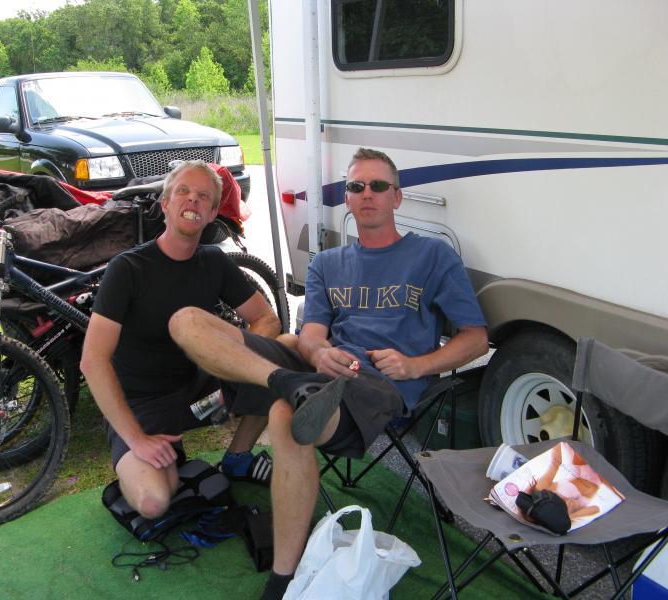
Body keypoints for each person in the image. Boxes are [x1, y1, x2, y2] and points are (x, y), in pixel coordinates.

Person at [168, 147, 489, 599]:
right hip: (318, 370)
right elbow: (313, 334)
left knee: (287, 418)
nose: (368, 194)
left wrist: (418, 364)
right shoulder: (326, 264)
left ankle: (281, 580)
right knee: (188, 320)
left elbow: (475, 338)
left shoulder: (432, 256)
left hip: (380, 380)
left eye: (379, 186)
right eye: (357, 186)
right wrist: (317, 354)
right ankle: (284, 385)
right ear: (347, 197)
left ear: (397, 197)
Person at [80, 160, 280, 521]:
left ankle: (237, 458)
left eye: (204, 196)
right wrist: (138, 440)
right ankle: (160, 459)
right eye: (183, 192)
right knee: (154, 501)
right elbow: (93, 361)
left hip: (201, 394)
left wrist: (237, 363)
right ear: (166, 204)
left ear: (213, 212)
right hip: (141, 405)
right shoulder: (128, 269)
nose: (193, 201)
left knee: (282, 356)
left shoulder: (214, 261)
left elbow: (266, 319)